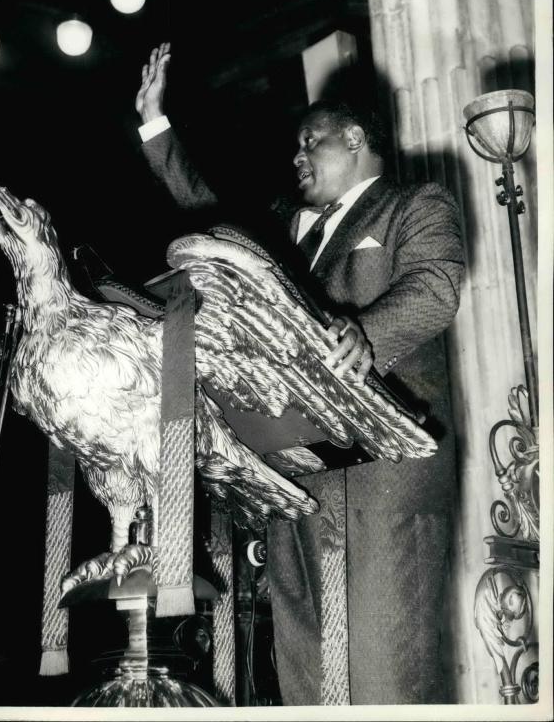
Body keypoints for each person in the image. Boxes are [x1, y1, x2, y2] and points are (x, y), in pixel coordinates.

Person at [135, 42, 464, 705]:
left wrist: (365, 334)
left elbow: (434, 288)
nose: (295, 157)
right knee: (307, 664)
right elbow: (209, 219)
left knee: (382, 662)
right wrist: (154, 126)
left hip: (386, 480)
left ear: (354, 138)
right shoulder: (288, 233)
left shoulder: (413, 205)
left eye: (309, 142)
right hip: (300, 474)